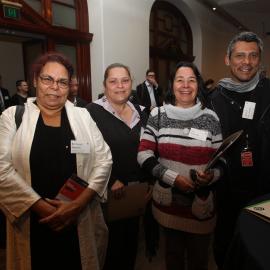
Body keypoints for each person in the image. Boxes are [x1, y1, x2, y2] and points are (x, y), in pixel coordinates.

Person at [0, 52, 112, 270]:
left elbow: (104, 159)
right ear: (35, 81)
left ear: (70, 87)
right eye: (47, 79)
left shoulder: (83, 116)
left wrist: (76, 206)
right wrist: (46, 210)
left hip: (77, 219)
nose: (55, 87)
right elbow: (1, 170)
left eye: (62, 82)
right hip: (32, 219)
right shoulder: (13, 116)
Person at [138, 61, 223, 270]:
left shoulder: (211, 118)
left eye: (191, 80)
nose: (185, 85)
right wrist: (172, 178)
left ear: (198, 85)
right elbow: (143, 154)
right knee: (173, 258)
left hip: (200, 207)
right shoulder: (158, 115)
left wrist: (212, 176)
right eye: (180, 80)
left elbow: (222, 160)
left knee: (199, 260)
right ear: (172, 84)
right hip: (168, 205)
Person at [207, 31, 270, 269]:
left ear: (260, 59)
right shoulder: (213, 98)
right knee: (225, 246)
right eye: (240, 55)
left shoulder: (269, 92)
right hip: (227, 189)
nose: (247, 62)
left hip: (264, 190)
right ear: (227, 59)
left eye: (253, 56)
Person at [87, 63, 150, 270]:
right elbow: (87, 153)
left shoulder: (142, 112)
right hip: (107, 191)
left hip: (136, 189)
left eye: (125, 80)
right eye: (113, 81)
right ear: (104, 85)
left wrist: (148, 182)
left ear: (132, 83)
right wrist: (110, 179)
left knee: (131, 242)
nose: (120, 86)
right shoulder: (91, 112)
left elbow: (149, 148)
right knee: (109, 246)